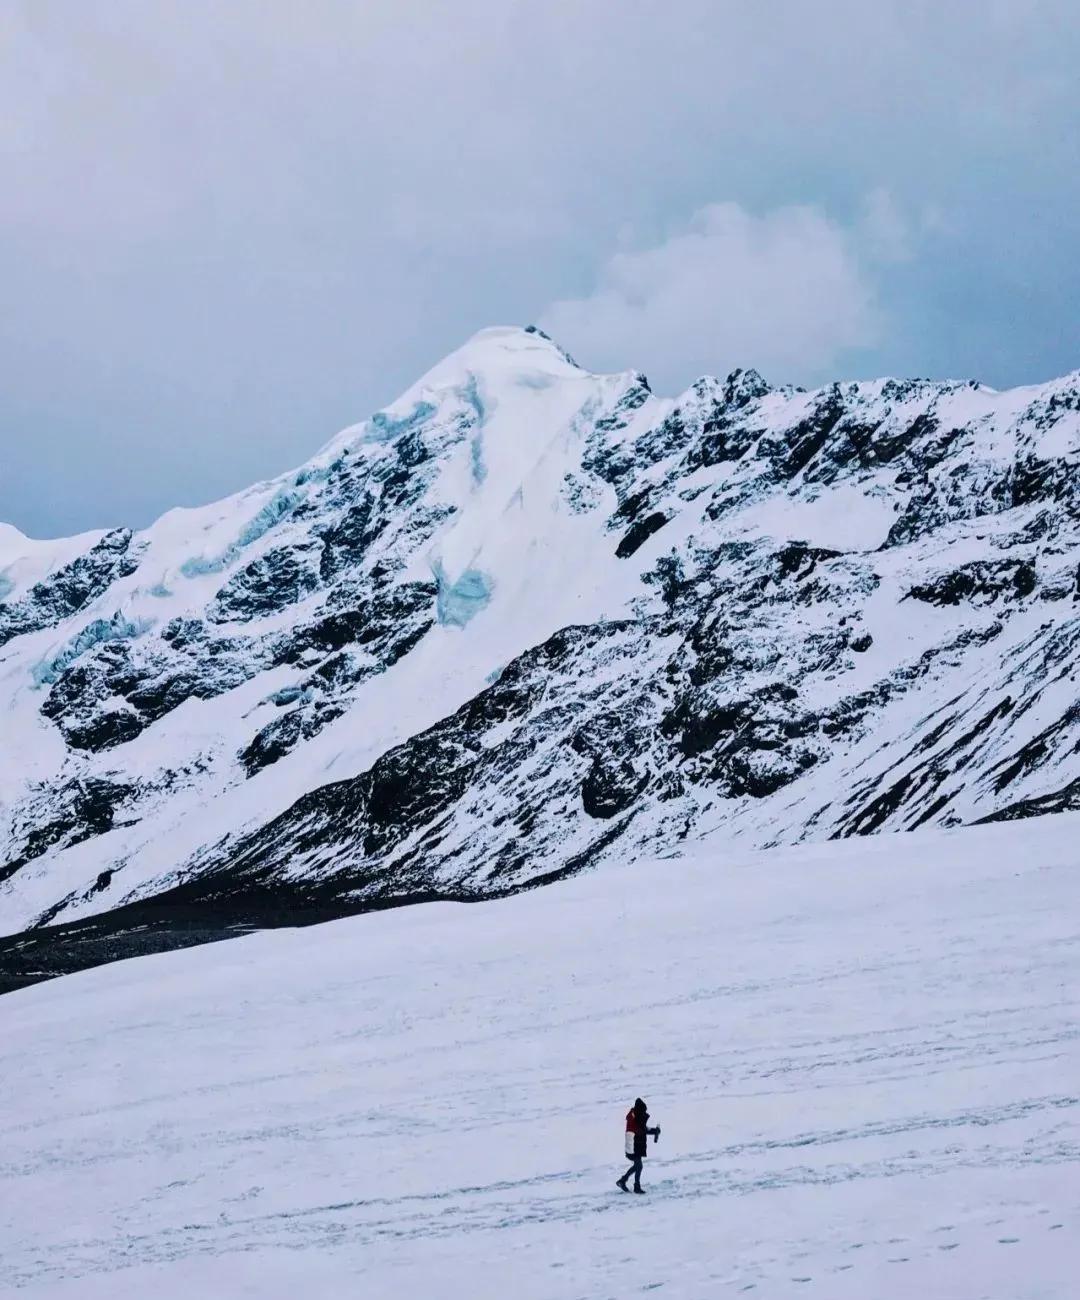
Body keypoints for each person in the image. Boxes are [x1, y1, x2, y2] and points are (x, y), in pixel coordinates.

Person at [617, 1097, 660, 1193]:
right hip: (633, 1146)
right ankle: (635, 1186)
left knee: (637, 1166)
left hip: (634, 1145)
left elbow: (643, 1129)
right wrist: (654, 1131)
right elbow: (641, 1130)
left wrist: (654, 1131)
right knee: (639, 1166)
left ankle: (623, 1181)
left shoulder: (635, 1116)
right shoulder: (633, 1118)